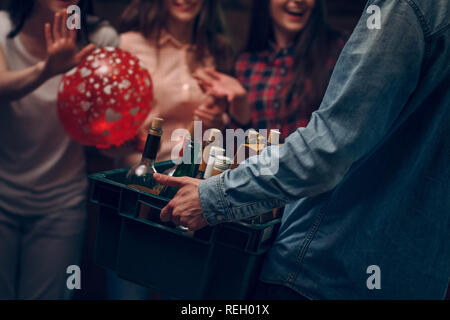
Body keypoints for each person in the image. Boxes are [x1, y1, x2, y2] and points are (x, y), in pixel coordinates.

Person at [153, 0, 450, 299]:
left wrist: (214, 197)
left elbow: (327, 148)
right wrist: (237, 120)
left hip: (327, 267)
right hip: (415, 277)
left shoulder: (400, 12)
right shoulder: (248, 61)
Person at [0, 0, 119, 299]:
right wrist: (47, 70)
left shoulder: (100, 39)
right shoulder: (1, 26)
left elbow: (109, 120)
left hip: (62, 202)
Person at [115, 0, 247, 164]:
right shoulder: (127, 45)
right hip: (143, 170)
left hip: (196, 172)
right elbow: (108, 126)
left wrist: (218, 121)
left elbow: (231, 124)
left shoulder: (218, 48)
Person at [194, 0, 346, 139]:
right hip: (261, 167)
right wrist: (241, 110)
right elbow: (239, 152)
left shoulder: (337, 52)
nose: (299, 1)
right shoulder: (246, 64)